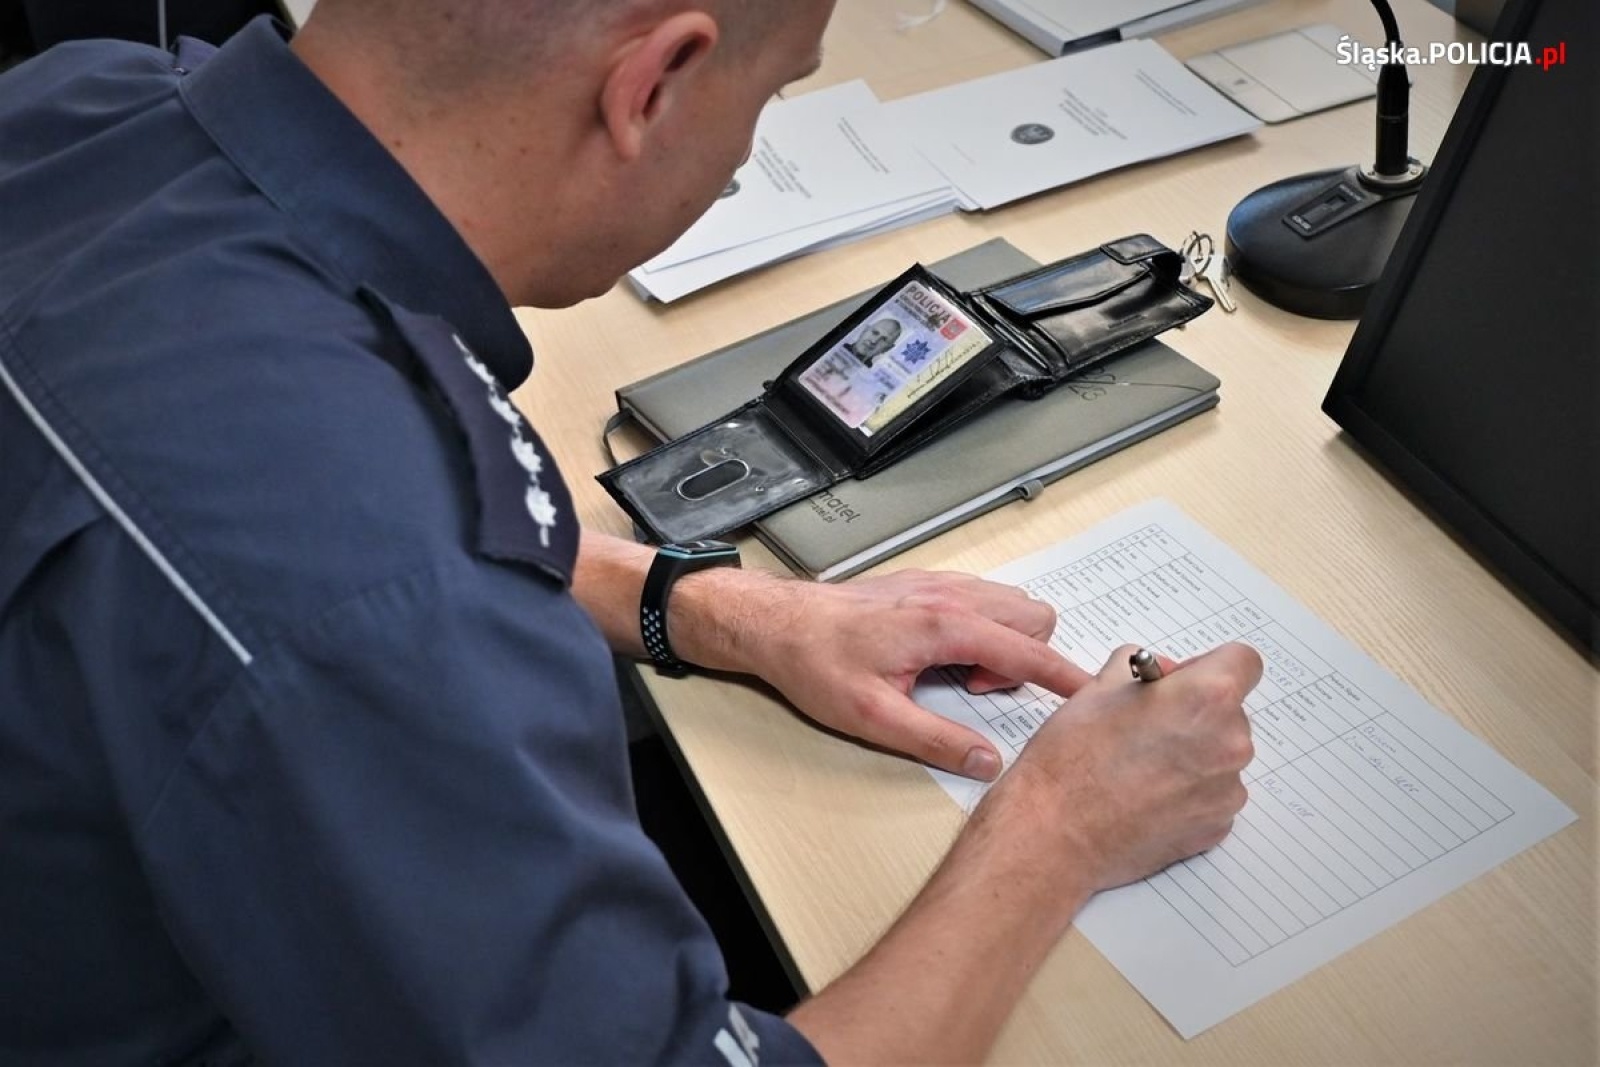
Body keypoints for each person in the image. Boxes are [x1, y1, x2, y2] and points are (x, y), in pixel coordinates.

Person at [0, 1, 1260, 1063]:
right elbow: (353, 586)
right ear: (653, 84)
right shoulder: (385, 599)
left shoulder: (80, 102)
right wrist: (1064, 824)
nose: (740, 156)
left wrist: (714, 604)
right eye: (773, 93)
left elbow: (270, 523)